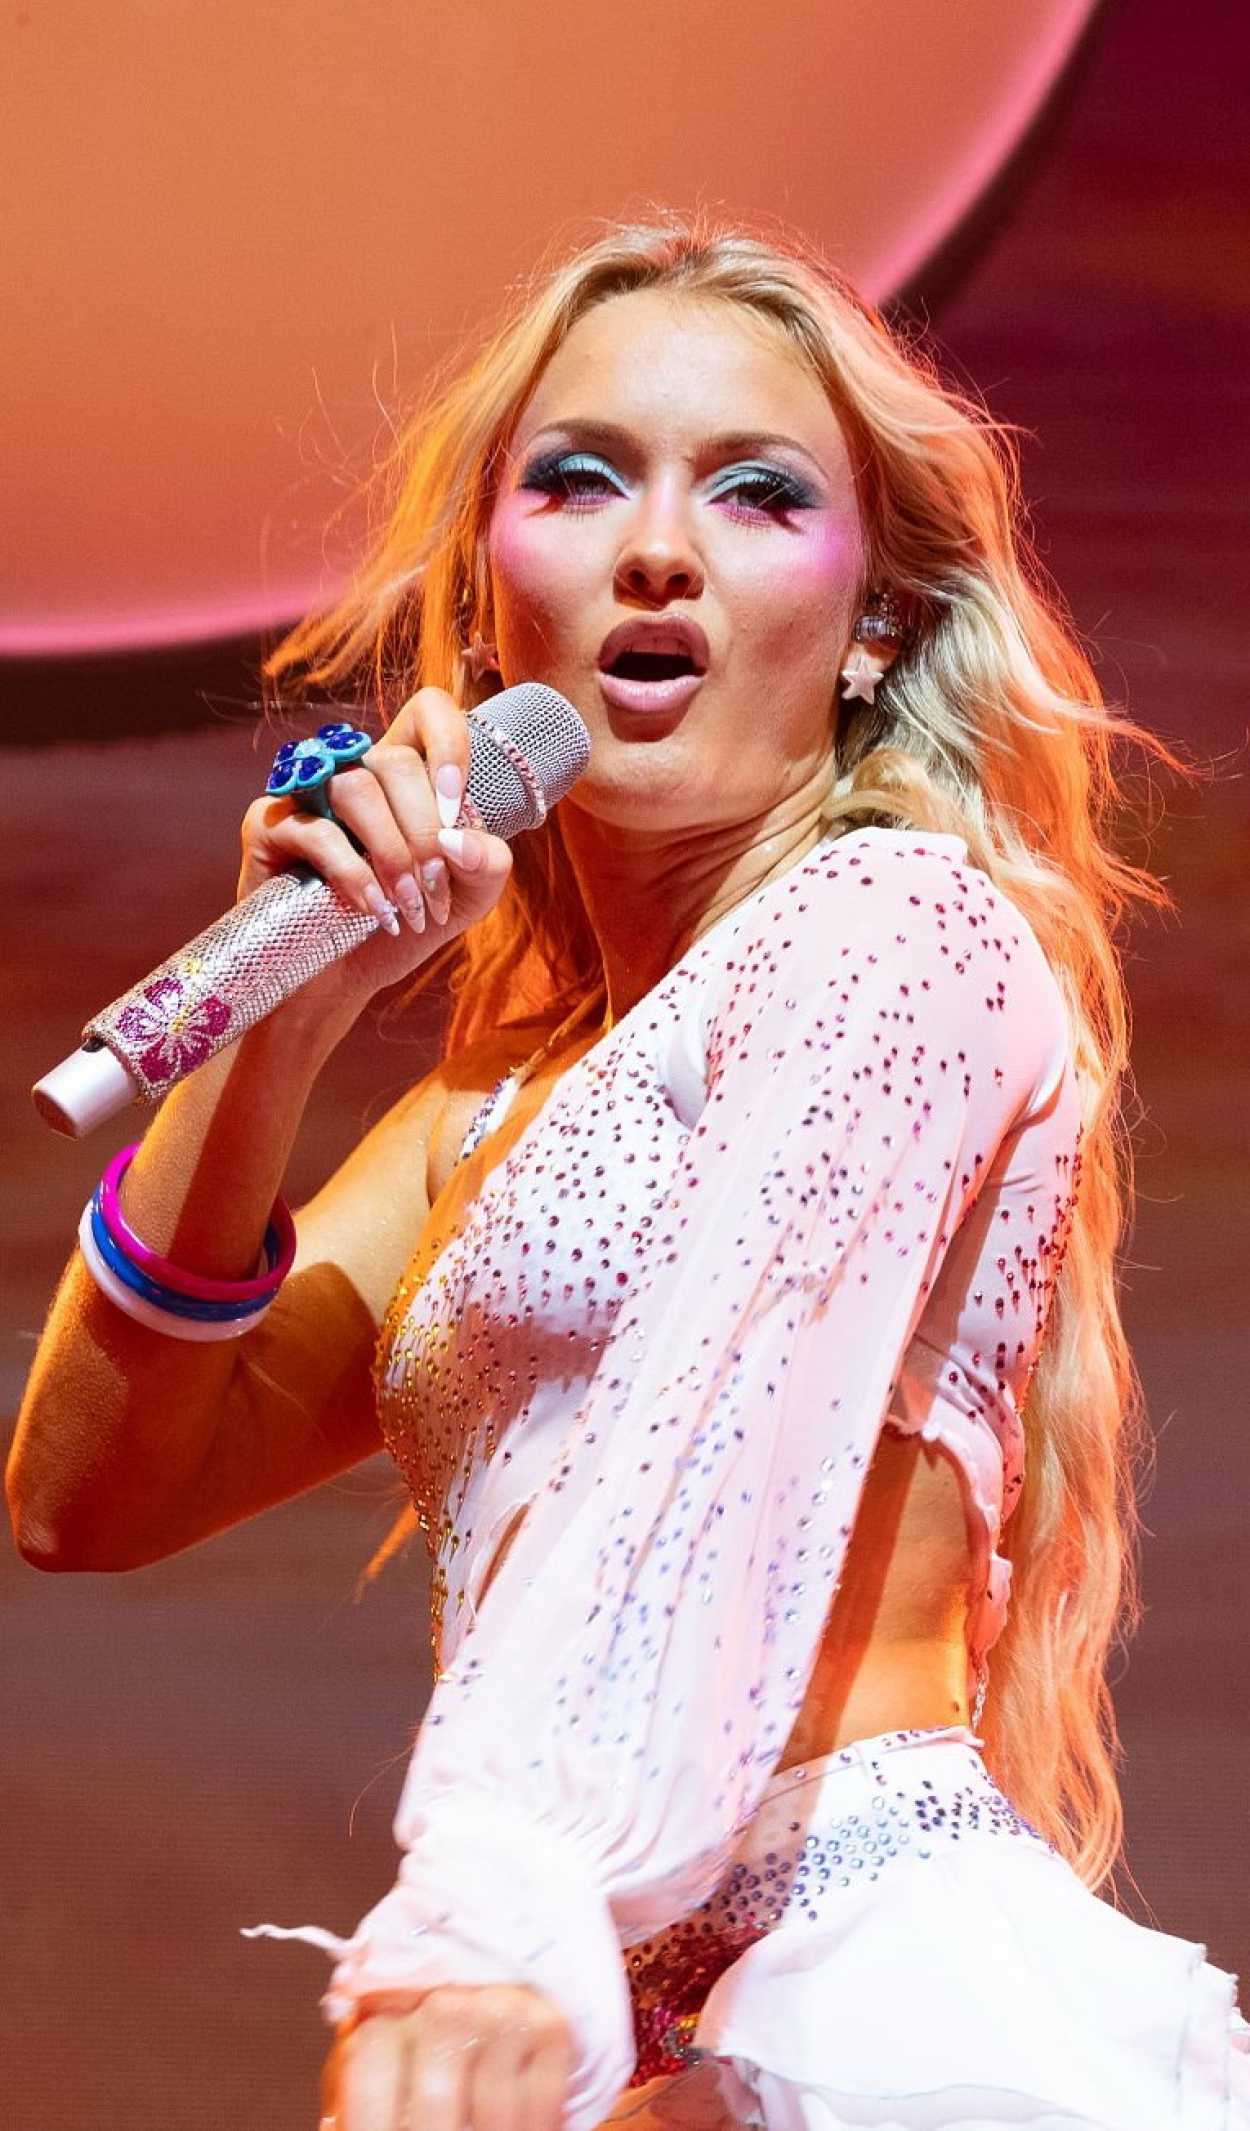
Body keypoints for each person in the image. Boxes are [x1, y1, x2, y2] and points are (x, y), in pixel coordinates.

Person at [10, 212, 1248, 2131]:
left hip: (861, 1995)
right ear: (489, 602)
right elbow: (88, 1499)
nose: (656, 546)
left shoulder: (894, 928)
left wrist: (503, 1919)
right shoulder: (489, 1115)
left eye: (757, 494)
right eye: (579, 480)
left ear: (877, 621)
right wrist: (289, 1015)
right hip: (623, 2024)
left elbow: (711, 1425)